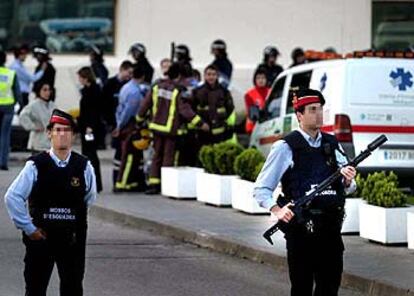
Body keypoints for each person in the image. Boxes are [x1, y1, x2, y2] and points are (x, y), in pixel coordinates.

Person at [253, 88, 357, 296]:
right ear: (299, 115)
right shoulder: (285, 147)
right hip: (301, 230)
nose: (318, 114)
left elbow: (351, 187)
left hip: (330, 229)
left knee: (329, 288)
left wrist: (347, 180)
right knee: (302, 288)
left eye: (320, 109)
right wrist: (277, 209)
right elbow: (261, 189)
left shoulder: (331, 143)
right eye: (312, 109)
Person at [4, 109, 97, 296]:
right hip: (42, 238)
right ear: (49, 133)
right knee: (35, 288)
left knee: (72, 288)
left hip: (72, 239)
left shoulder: (83, 166)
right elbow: (12, 197)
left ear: (73, 135)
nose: (62, 134)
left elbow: (89, 197)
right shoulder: (36, 165)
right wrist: (29, 229)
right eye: (58, 130)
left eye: (67, 130)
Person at [136, 62, 208, 194]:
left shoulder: (156, 86)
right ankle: (165, 184)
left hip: (156, 128)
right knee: (168, 157)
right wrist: (201, 123)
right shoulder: (178, 91)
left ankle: (153, 184)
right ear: (179, 75)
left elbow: (145, 104)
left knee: (157, 155)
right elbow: (185, 110)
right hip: (170, 131)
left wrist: (139, 120)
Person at [111, 66, 149, 192]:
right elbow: (129, 112)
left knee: (135, 156)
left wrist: (118, 124)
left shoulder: (126, 87)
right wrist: (121, 126)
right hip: (130, 125)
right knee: (129, 156)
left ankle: (135, 182)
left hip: (124, 124)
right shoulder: (135, 92)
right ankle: (122, 183)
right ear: (143, 76)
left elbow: (119, 109)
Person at [191, 64, 236, 146]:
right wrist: (200, 123)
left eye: (213, 74)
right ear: (204, 76)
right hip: (203, 131)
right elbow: (192, 109)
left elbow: (230, 107)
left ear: (217, 76)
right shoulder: (197, 92)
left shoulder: (224, 91)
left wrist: (222, 120)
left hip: (220, 131)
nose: (211, 77)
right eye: (208, 74)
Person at [77, 67, 103, 192]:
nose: (79, 80)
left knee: (91, 154)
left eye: (80, 78)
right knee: (87, 154)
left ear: (85, 78)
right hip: (86, 126)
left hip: (90, 128)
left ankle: (94, 182)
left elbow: (93, 110)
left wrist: (89, 126)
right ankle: (89, 182)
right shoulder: (87, 90)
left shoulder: (93, 91)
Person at [0, 50, 22, 170]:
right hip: (8, 107)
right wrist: (21, 105)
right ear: (5, 60)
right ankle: (3, 162)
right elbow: (17, 92)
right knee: (5, 135)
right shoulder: (10, 73)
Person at [19, 83, 56, 153]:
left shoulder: (52, 105)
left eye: (49, 90)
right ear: (39, 91)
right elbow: (22, 116)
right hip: (38, 144)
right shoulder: (34, 105)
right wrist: (33, 126)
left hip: (50, 144)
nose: (47, 92)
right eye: (44, 90)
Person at [9, 44, 46, 113]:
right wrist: (42, 70)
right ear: (20, 55)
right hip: (21, 93)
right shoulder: (17, 67)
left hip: (21, 92)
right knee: (22, 113)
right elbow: (32, 78)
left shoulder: (18, 65)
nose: (26, 56)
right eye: (24, 54)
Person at [244, 68, 270, 134]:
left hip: (269, 125)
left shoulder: (271, 92)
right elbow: (252, 114)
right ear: (255, 80)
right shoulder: (249, 94)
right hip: (254, 127)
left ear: (266, 79)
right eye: (258, 78)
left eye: (263, 78)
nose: (261, 80)